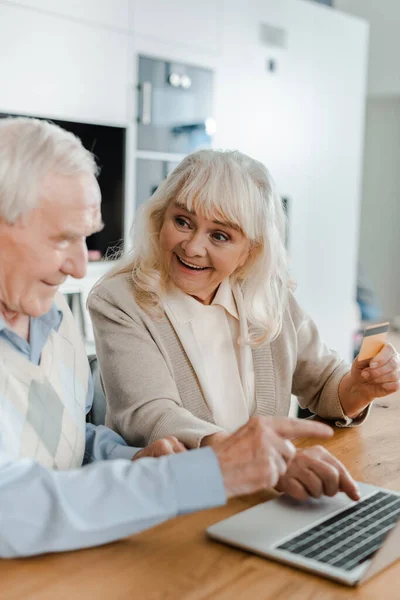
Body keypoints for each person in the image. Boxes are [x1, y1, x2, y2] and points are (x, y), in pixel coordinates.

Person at [0, 117, 337, 559]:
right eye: (62, 239)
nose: (80, 268)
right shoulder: (100, 301)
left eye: (86, 239)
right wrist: (201, 474)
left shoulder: (52, 315)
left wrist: (128, 460)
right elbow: (11, 507)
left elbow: (60, 439)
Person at [89, 149, 400, 503]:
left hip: (260, 494)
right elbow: (149, 414)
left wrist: (358, 387)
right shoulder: (119, 300)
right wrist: (256, 458)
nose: (192, 247)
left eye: (220, 236)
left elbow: (324, 380)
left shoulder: (267, 295)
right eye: (183, 221)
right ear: (160, 218)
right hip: (172, 500)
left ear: (250, 252)